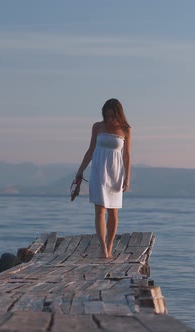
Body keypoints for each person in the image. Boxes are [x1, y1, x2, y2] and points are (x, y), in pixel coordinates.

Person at [75, 98, 131, 259]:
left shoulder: (125, 130)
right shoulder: (97, 127)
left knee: (113, 212)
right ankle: (103, 248)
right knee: (100, 211)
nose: (109, 120)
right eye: (106, 116)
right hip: (99, 171)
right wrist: (80, 170)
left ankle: (110, 244)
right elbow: (90, 149)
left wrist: (127, 178)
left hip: (116, 173)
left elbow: (127, 155)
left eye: (112, 116)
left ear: (118, 114)